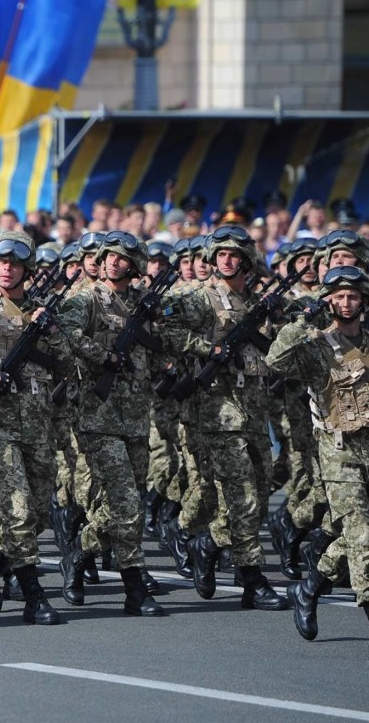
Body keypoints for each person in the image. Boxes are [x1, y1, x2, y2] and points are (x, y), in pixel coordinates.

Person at [162, 226, 289, 611]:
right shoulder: (201, 298)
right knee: (243, 496)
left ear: (247, 262)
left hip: (254, 408)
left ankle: (211, 541)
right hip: (218, 411)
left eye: (235, 255)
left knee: (262, 491)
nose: (228, 260)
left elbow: (277, 348)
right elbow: (167, 329)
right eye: (222, 255)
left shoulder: (256, 303)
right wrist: (209, 348)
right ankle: (253, 578)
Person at [0, 231, 72, 624]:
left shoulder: (41, 310)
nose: (5, 269)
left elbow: (68, 362)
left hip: (37, 422)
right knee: (18, 509)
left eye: (14, 264)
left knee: (38, 509)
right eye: (1, 263)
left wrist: (51, 331)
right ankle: (34, 595)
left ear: (27, 270)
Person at [56, 231, 166, 617]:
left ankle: (80, 552)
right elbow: (64, 333)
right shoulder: (86, 298)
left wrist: (158, 318)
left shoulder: (142, 304)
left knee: (126, 501)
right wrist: (103, 356)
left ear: (135, 267)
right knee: (126, 502)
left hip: (136, 416)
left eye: (123, 258)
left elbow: (166, 347)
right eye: (110, 257)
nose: (114, 262)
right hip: (97, 415)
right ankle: (135, 586)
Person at [266, 265, 369, 639]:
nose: (346, 303)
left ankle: (309, 588)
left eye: (353, 296)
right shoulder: (317, 346)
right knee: (362, 534)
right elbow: (275, 360)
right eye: (338, 296)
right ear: (328, 301)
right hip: (338, 453)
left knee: (355, 537)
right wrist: (305, 319)